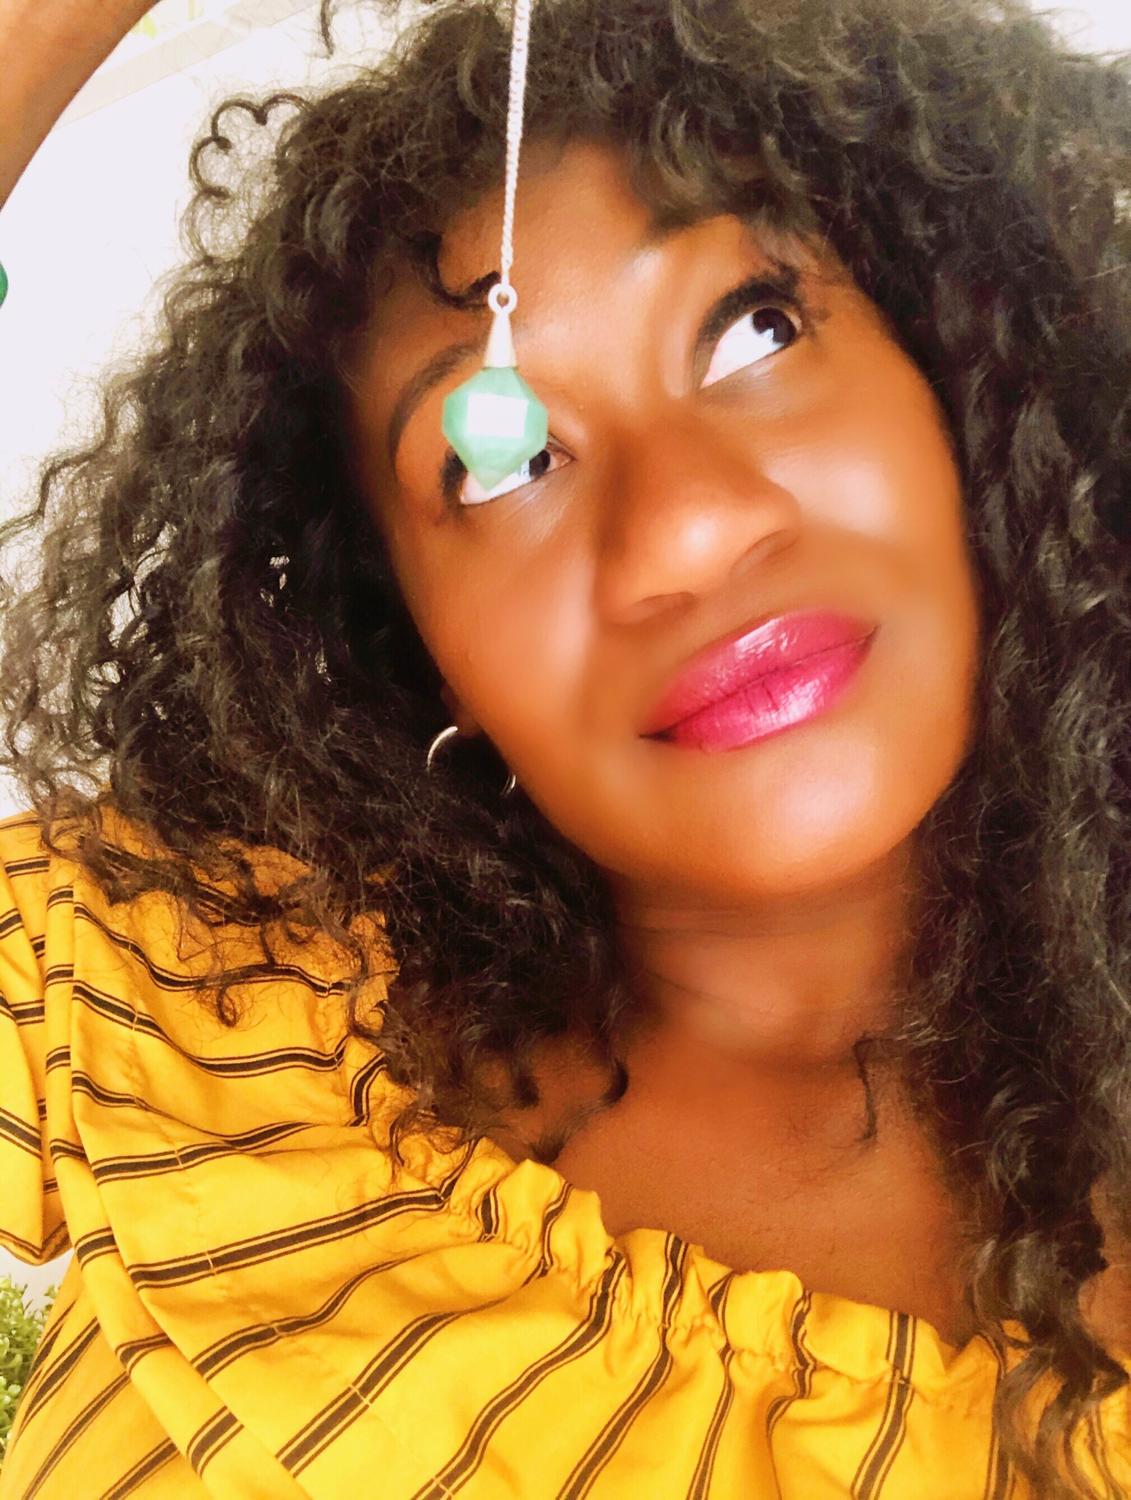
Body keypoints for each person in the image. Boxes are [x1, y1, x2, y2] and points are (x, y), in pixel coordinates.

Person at [1, 0, 1130, 1493]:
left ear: (966, 382)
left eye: (755, 327)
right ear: (413, 639)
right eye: (504, 459)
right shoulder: (205, 984)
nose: (686, 529)